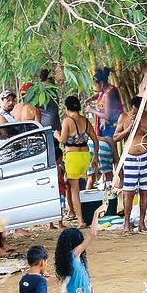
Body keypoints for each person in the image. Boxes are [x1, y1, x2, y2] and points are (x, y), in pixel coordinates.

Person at [113, 95, 147, 232]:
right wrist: (128, 129)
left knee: (144, 191)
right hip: (130, 158)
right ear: (133, 107)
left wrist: (143, 129)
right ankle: (126, 223)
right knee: (128, 192)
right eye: (136, 110)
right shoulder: (124, 117)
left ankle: (142, 223)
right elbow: (115, 137)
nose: (138, 113)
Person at [59, 95, 97, 227]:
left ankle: (80, 220)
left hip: (73, 157)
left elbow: (63, 140)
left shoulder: (67, 121)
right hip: (85, 155)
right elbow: (95, 139)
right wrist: (95, 156)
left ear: (67, 108)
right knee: (88, 186)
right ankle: (93, 215)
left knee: (74, 190)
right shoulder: (85, 121)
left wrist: (57, 135)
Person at [89, 68, 123, 205]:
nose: (96, 88)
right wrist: (92, 99)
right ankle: (116, 184)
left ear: (102, 84)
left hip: (110, 129)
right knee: (112, 158)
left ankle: (121, 183)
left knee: (115, 158)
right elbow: (100, 98)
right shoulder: (106, 91)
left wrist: (92, 110)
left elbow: (108, 115)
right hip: (105, 128)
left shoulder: (109, 94)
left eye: (96, 85)